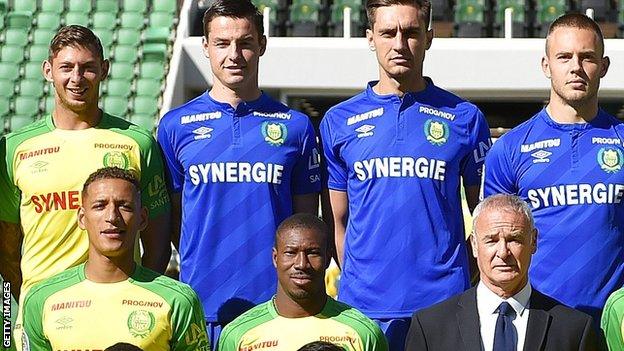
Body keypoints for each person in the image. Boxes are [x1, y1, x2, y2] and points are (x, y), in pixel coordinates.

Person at [319, 0, 491, 348]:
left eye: (411, 33)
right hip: (364, 307)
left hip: (443, 303)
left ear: (428, 37)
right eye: (387, 33)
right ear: (370, 38)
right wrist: (362, 277)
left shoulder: (465, 118)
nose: (399, 44)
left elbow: (485, 215)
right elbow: (337, 221)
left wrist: (460, 276)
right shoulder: (337, 121)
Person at [157, 0, 320, 346]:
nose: (234, 54)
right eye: (222, 43)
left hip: (276, 309)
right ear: (205, 46)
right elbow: (174, 219)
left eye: (245, 43)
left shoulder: (295, 127)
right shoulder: (175, 127)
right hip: (201, 305)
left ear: (262, 44)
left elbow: (305, 222)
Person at [0, 25, 171, 349]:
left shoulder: (137, 143)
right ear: (48, 71)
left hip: (123, 317)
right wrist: (37, 302)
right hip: (44, 322)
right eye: (66, 67)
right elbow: (7, 249)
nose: (77, 78)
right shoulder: (14, 148)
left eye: (88, 67)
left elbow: (158, 242)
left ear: (104, 70)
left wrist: (135, 297)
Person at [482, 14, 618, 320]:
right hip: (539, 319)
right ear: (546, 65)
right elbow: (495, 243)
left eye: (587, 58)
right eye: (564, 57)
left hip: (613, 322)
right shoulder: (510, 148)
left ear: (604, 66)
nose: (576, 67)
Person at [21, 167, 209, 351]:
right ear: (82, 218)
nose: (112, 217)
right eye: (99, 206)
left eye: (124, 206)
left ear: (142, 218)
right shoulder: (41, 299)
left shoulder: (179, 300)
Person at [405, 194, 599, 351]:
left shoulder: (574, 330)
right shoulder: (430, 327)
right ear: (474, 245)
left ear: (533, 242)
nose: (503, 252)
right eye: (491, 240)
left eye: (514, 239)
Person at [217, 214, 388, 351]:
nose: (301, 264)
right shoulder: (238, 335)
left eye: (313, 253)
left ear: (328, 258)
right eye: (290, 253)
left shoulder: (363, 333)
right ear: (275, 258)